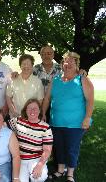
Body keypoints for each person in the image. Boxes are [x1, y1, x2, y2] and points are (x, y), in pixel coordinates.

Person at [42, 52, 94, 182]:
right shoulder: (56, 79)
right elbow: (47, 98)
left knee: (72, 148)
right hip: (56, 122)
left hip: (76, 124)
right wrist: (43, 113)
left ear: (77, 64)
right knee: (58, 147)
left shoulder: (82, 79)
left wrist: (88, 117)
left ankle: (70, 173)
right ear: (62, 64)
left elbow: (90, 100)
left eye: (72, 61)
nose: (69, 64)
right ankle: (60, 170)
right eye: (66, 61)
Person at [8, 99, 53, 182]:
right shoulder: (18, 121)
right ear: (25, 110)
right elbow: (1, 125)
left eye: (35, 108)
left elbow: (47, 150)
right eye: (29, 108)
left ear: (39, 110)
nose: (32, 111)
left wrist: (40, 165)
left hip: (36, 159)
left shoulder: (45, 128)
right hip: (20, 160)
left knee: (39, 177)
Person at [6, 54, 44, 119]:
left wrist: (33, 113)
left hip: (31, 118)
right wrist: (13, 112)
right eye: (23, 64)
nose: (26, 66)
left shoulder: (38, 81)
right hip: (15, 116)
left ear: (32, 66)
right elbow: (8, 97)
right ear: (20, 66)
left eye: (28, 64)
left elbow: (40, 100)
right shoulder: (13, 80)